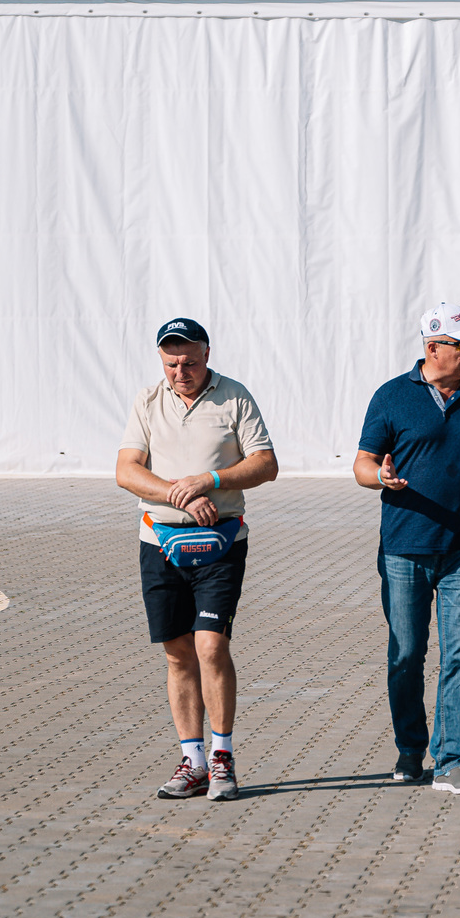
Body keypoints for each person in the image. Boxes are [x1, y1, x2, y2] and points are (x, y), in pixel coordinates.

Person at [116, 318, 278, 800]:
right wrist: (178, 493)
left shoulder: (234, 397)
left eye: (188, 362)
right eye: (171, 363)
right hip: (159, 543)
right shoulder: (148, 401)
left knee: (210, 646)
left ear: (207, 354)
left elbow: (266, 464)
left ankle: (222, 757)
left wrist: (210, 480)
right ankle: (193, 761)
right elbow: (126, 470)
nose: (180, 372)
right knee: (177, 653)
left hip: (220, 544)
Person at [353, 302, 460, 795]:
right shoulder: (391, 396)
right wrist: (380, 476)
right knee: (406, 655)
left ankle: (452, 760)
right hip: (404, 549)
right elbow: (361, 464)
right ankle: (410, 749)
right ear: (433, 347)